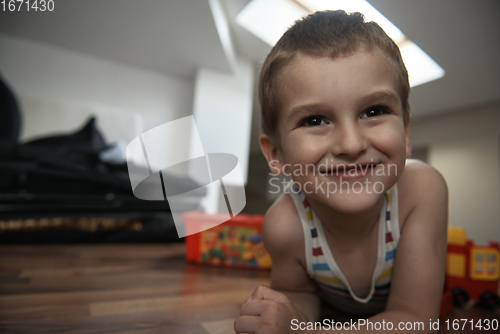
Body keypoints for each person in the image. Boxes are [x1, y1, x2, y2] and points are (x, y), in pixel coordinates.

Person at [234, 10, 448, 334]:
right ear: (276, 155)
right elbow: (298, 295)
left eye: (373, 111)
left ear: (405, 135)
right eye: (315, 120)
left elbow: (414, 318)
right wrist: (287, 318)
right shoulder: (285, 227)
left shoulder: (422, 192)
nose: (350, 144)